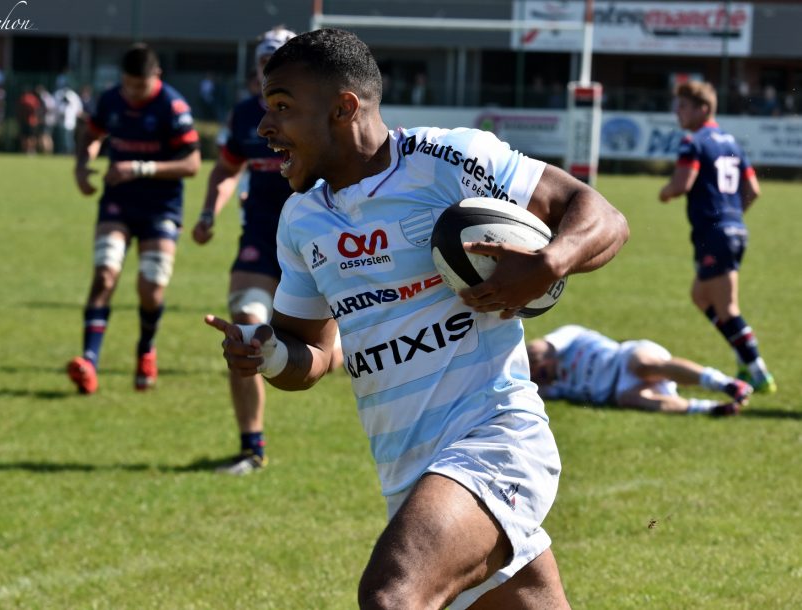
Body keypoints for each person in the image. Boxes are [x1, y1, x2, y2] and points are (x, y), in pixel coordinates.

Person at [206, 29, 628, 609]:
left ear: (343, 108)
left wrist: (548, 263)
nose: (264, 127)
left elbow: (600, 215)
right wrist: (269, 354)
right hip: (408, 471)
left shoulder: (445, 159)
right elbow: (316, 353)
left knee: (392, 595)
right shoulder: (301, 221)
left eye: (281, 106)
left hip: (495, 440)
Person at [192, 27, 302, 474]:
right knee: (245, 329)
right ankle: (251, 449)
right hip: (259, 241)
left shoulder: (313, 115)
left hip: (316, 246)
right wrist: (207, 213)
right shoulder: (243, 116)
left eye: (279, 59)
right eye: (264, 61)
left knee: (342, 347)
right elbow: (225, 168)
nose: (269, 67)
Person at [67, 43, 201, 394]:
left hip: (161, 207)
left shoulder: (173, 107)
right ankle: (89, 363)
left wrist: (139, 167)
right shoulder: (111, 99)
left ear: (156, 77)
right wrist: (82, 165)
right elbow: (92, 133)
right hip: (118, 203)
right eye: (127, 84)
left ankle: (145, 349)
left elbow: (192, 164)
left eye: (138, 86)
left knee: (151, 289)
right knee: (104, 275)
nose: (131, 93)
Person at [659, 81, 775, 394]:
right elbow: (753, 190)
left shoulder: (693, 142)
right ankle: (743, 358)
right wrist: (733, 216)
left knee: (728, 308)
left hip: (714, 233)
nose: (678, 112)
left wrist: (666, 192)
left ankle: (757, 371)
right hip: (733, 230)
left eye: (683, 106)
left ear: (703, 109)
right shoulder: (732, 143)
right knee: (701, 296)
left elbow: (683, 183)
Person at [527, 325, 753, 416]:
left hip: (625, 358)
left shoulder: (566, 339)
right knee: (631, 399)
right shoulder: (555, 389)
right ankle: (711, 409)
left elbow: (540, 346)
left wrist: (533, 352)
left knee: (644, 366)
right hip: (619, 389)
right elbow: (530, 395)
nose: (538, 374)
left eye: (536, 368)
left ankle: (725, 383)